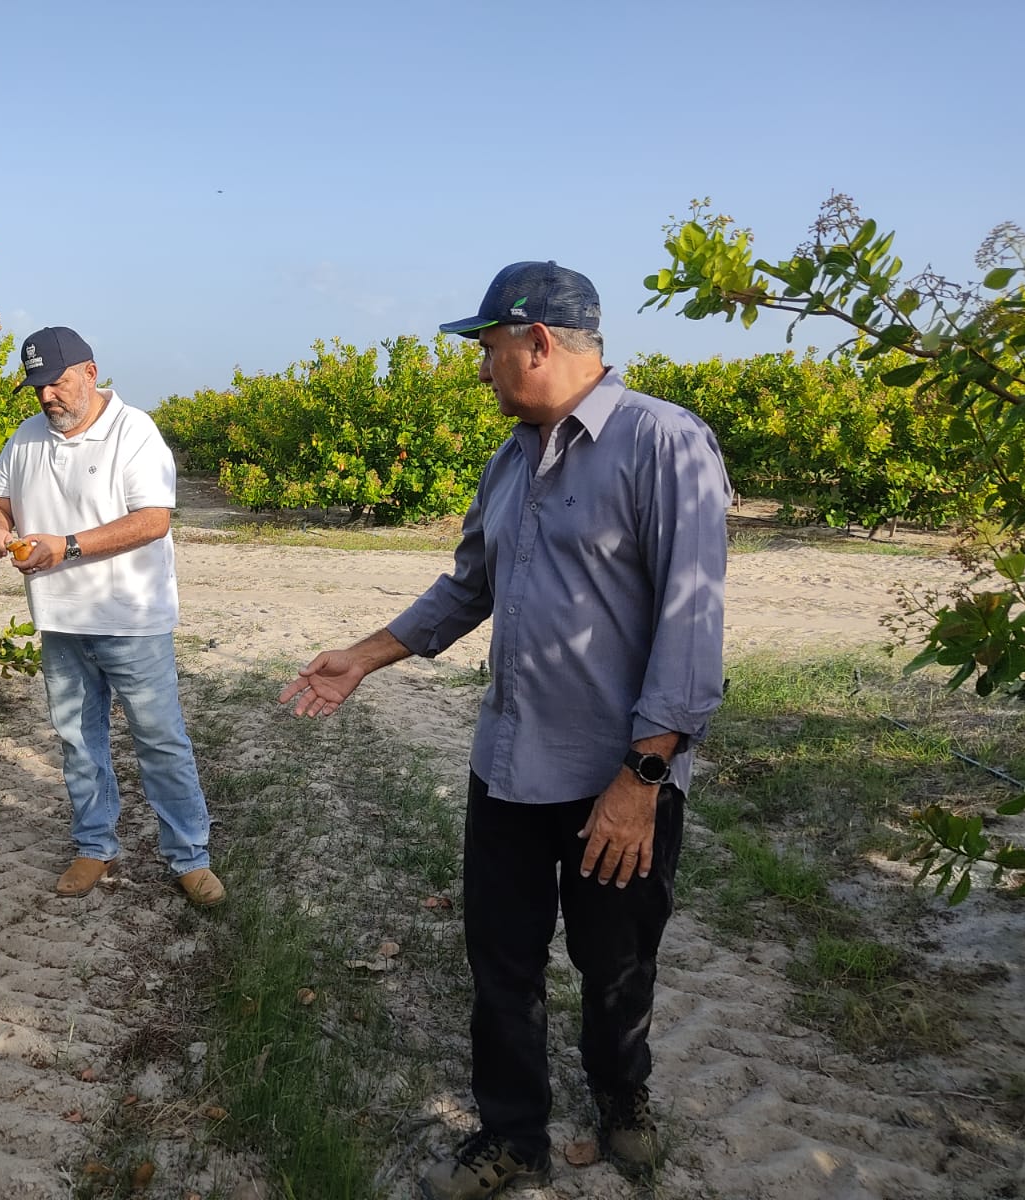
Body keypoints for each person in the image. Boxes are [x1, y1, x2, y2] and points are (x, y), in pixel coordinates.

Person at [279, 263, 729, 1198]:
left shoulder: (665, 444)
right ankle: (515, 1133)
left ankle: (621, 1099)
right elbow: (471, 586)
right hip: (511, 764)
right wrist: (364, 655)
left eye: (488, 350)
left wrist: (640, 784)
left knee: (616, 960)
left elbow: (691, 636)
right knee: (502, 963)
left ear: (538, 343)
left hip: (617, 776)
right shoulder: (512, 459)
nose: (482, 369)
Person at [0, 326, 224, 907]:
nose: (47, 397)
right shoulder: (26, 437)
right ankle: (94, 845)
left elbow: (153, 520)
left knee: (160, 740)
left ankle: (189, 857)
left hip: (131, 620)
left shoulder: (134, 432)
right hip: (59, 621)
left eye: (57, 383)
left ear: (90, 373)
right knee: (77, 739)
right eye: (37, 387)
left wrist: (65, 546)